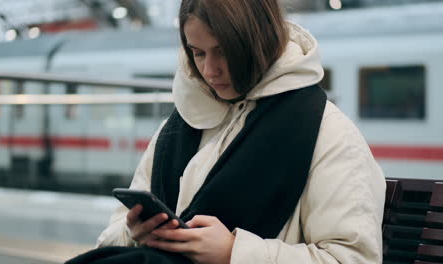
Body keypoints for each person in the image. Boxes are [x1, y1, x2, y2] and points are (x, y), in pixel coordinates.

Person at [66, 0, 385, 263]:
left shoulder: (328, 133)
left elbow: (353, 258)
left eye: (224, 51)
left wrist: (235, 252)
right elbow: (111, 235)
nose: (209, 70)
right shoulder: (183, 120)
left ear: (260, 41)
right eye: (198, 53)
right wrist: (135, 232)